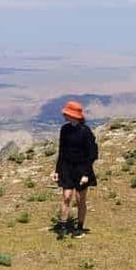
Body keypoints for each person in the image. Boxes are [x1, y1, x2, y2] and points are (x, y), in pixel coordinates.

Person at [50, 101, 99, 239]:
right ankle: (63, 227)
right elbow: (62, 151)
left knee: (79, 199)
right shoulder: (64, 129)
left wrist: (86, 174)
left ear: (74, 115)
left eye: (67, 113)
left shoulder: (86, 132)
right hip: (66, 167)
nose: (65, 115)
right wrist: (57, 171)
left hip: (82, 168)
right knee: (66, 197)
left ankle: (80, 227)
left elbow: (92, 154)